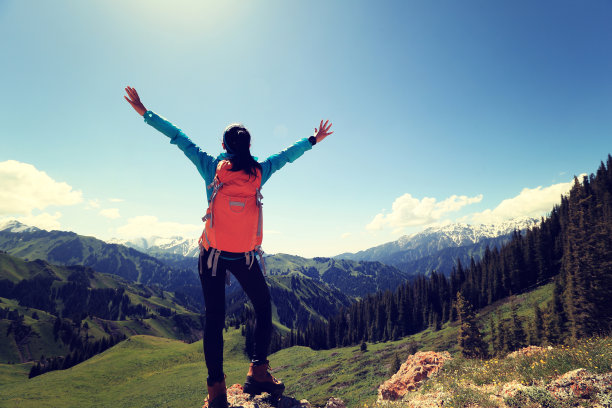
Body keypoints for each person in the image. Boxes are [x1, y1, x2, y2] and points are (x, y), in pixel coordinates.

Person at [124, 86, 333, 408]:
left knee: (214, 319)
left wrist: (144, 111)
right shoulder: (259, 171)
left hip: (212, 256)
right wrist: (312, 140)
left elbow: (180, 138)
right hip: (245, 258)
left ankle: (216, 390)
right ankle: (259, 371)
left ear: (223, 146)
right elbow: (286, 156)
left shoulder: (211, 169)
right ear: (249, 147)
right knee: (264, 309)